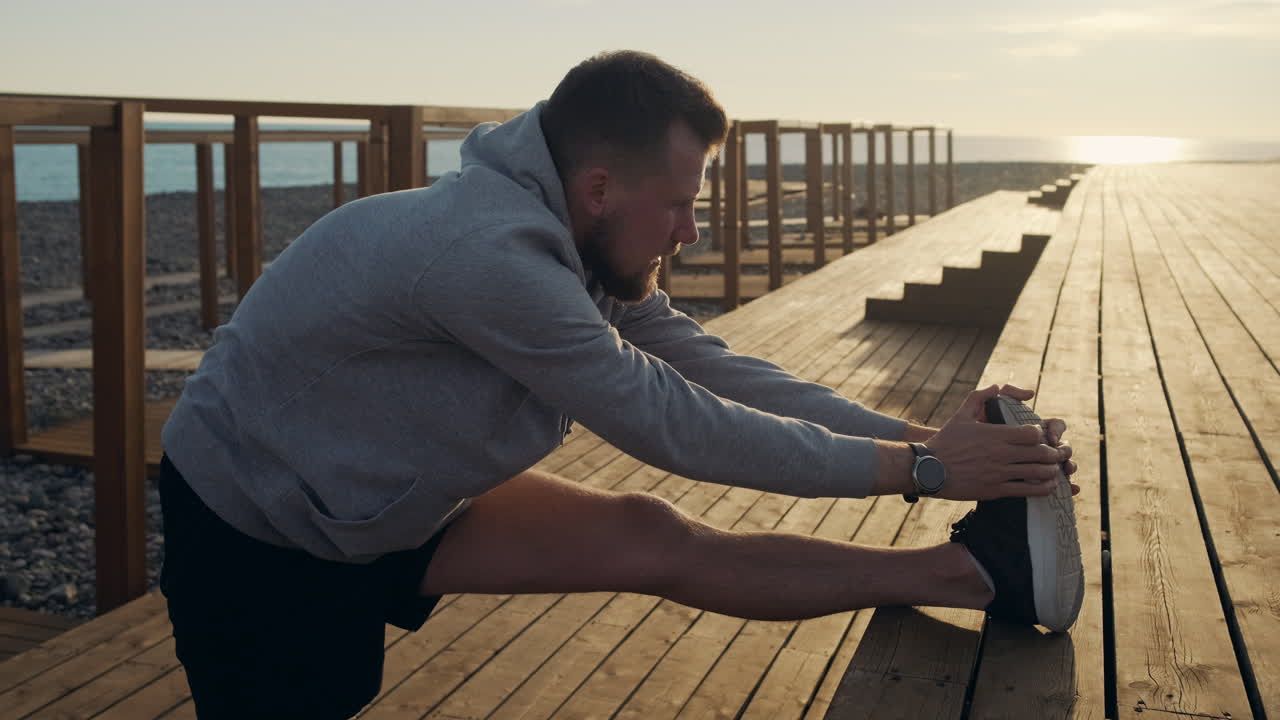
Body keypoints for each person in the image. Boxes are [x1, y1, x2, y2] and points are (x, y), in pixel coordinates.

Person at [158, 50, 1080, 719]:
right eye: (679, 205)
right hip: (259, 532)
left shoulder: (572, 236)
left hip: (380, 493)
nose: (689, 233)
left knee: (652, 539)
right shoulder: (489, 258)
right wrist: (921, 475)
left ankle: (975, 577)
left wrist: (930, 443)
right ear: (599, 186)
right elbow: (674, 422)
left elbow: (707, 362)